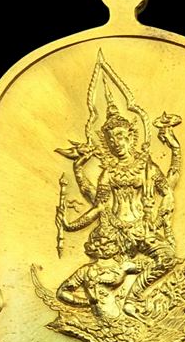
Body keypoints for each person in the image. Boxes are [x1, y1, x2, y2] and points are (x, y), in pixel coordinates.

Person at [57, 103, 178, 285]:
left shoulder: (147, 167)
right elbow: (99, 206)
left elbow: (167, 192)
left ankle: (135, 294)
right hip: (114, 234)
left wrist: (157, 220)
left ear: (130, 136)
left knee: (168, 259)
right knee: (108, 277)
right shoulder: (108, 173)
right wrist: (71, 225)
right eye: (110, 139)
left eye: (120, 136)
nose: (116, 143)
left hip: (142, 229)